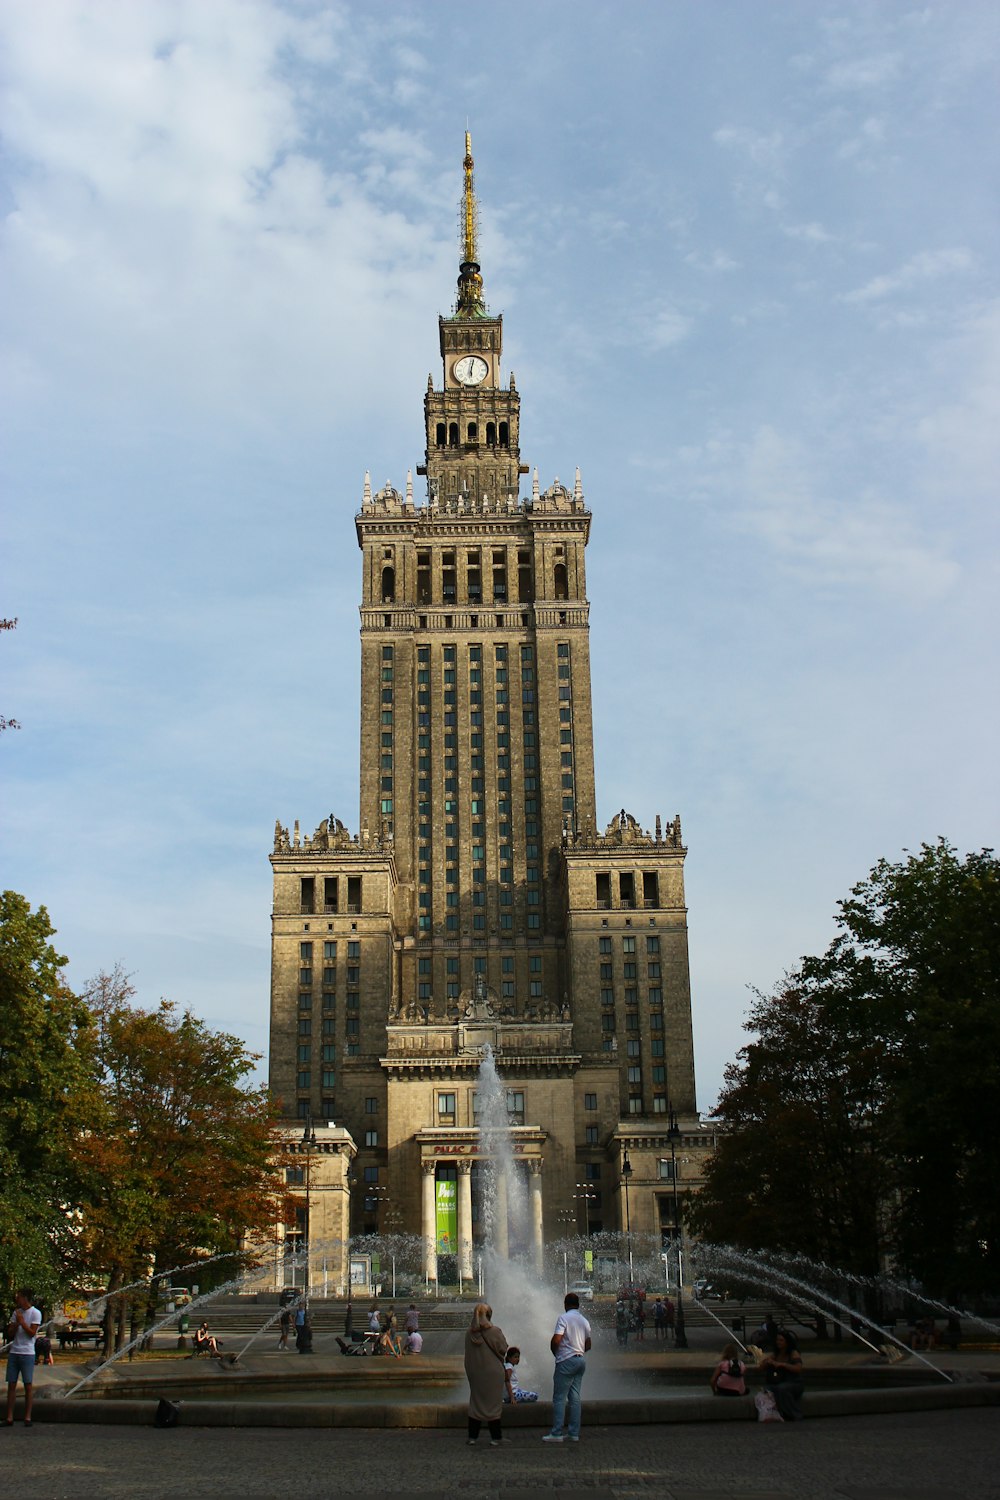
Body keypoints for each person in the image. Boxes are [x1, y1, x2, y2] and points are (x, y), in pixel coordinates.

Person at [543, 1291, 592, 1443]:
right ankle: (573, 1433)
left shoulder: (563, 1318)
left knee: (559, 1397)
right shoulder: (584, 1320)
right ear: (578, 1305)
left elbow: (556, 1339)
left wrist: (555, 1352)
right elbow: (588, 1344)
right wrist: (578, 1350)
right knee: (575, 1398)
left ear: (565, 1304)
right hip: (580, 1361)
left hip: (566, 1361)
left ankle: (557, 1433)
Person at [464, 1302, 508, 1446]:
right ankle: (496, 1437)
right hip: (493, 1373)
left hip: (475, 1372)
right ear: (488, 1315)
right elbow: (503, 1349)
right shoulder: (494, 1331)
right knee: (493, 1404)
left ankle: (472, 1437)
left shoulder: (469, 1333)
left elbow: (468, 1355)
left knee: (475, 1403)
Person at [6, 1288, 41, 1427]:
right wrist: (14, 1325)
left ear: (25, 1298)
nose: (17, 1300)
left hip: (27, 1353)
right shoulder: (16, 1312)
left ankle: (28, 1417)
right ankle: (9, 1417)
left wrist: (22, 1322)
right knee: (11, 1384)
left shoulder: (35, 1313)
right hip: (14, 1351)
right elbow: (10, 1333)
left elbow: (32, 1333)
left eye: (19, 1297)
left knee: (28, 1385)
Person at [760, 1330, 804, 1420]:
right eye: (777, 1340)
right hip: (779, 1382)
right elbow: (761, 1368)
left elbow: (798, 1368)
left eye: (781, 1340)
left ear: (787, 1342)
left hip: (794, 1383)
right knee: (767, 1390)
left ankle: (794, 1414)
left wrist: (783, 1364)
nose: (778, 1342)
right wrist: (767, 1362)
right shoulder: (775, 1354)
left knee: (782, 1389)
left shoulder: (793, 1353)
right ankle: (774, 1413)